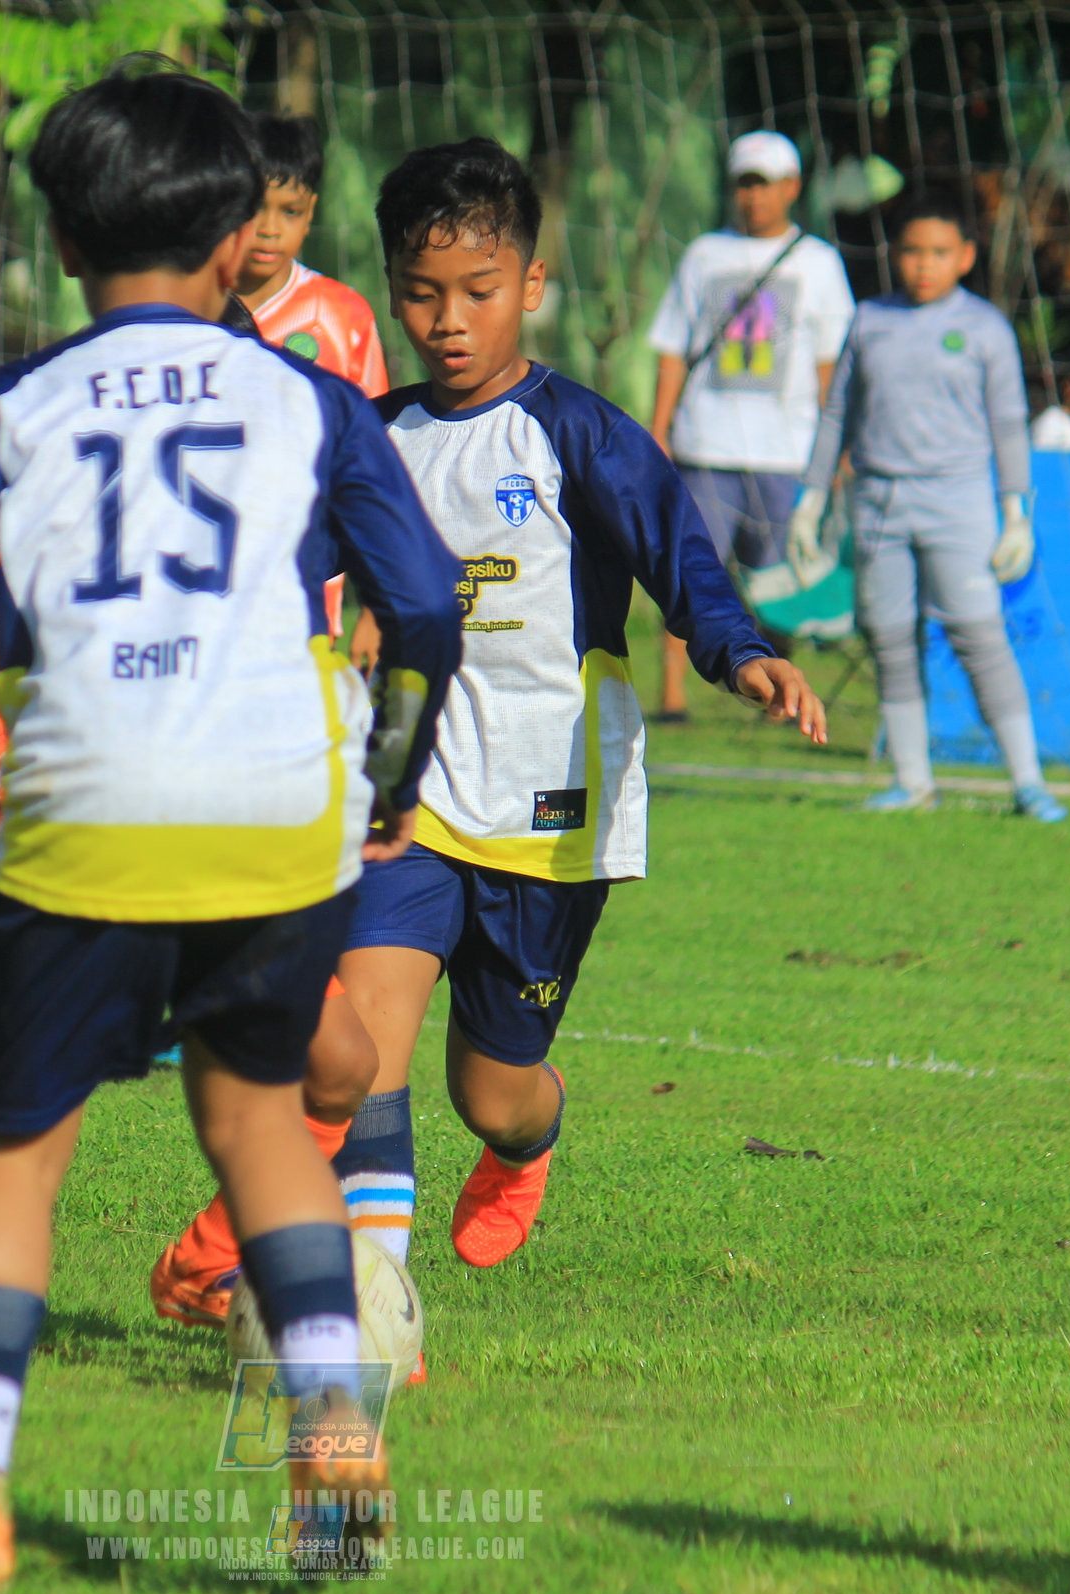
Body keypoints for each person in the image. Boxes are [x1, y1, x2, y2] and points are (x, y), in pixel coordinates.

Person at [0, 64, 463, 1594]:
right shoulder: (308, 399)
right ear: (241, 227)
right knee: (255, 1117)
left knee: (13, 1149)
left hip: (84, 805)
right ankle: (328, 1423)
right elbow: (424, 600)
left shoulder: (4, 407)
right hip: (269, 808)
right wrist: (391, 765)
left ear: (56, 237)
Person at [258, 136, 824, 1288]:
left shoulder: (580, 434)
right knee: (364, 1039)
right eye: (422, 294)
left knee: (490, 1089)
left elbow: (680, 556)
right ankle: (372, 1300)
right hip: (402, 785)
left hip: (550, 793)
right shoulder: (374, 439)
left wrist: (740, 652)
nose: (449, 320)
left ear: (531, 285)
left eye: (479, 291)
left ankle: (528, 1138)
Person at [791, 190, 1067, 822]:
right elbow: (838, 413)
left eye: (938, 252)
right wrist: (811, 498)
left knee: (978, 636)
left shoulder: (985, 329)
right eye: (912, 251)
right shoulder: (870, 320)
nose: (923, 264)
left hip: (959, 501)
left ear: (965, 256)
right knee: (890, 640)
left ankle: (1028, 782)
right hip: (879, 503)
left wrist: (1015, 509)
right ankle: (914, 782)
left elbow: (1008, 423)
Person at [644, 129, 855, 719]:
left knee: (780, 583)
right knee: (687, 571)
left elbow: (829, 366)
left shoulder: (818, 263)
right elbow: (671, 349)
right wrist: (658, 430)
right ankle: (672, 696)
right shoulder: (704, 255)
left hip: (786, 451)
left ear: (791, 188)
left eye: (764, 183)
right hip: (706, 445)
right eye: (744, 183)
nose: (753, 196)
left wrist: (835, 448)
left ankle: (779, 694)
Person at [238, 113, 390, 397]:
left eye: (290, 212)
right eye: (254, 208)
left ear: (310, 211)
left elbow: (371, 428)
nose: (269, 229)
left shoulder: (345, 315)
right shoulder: (193, 308)